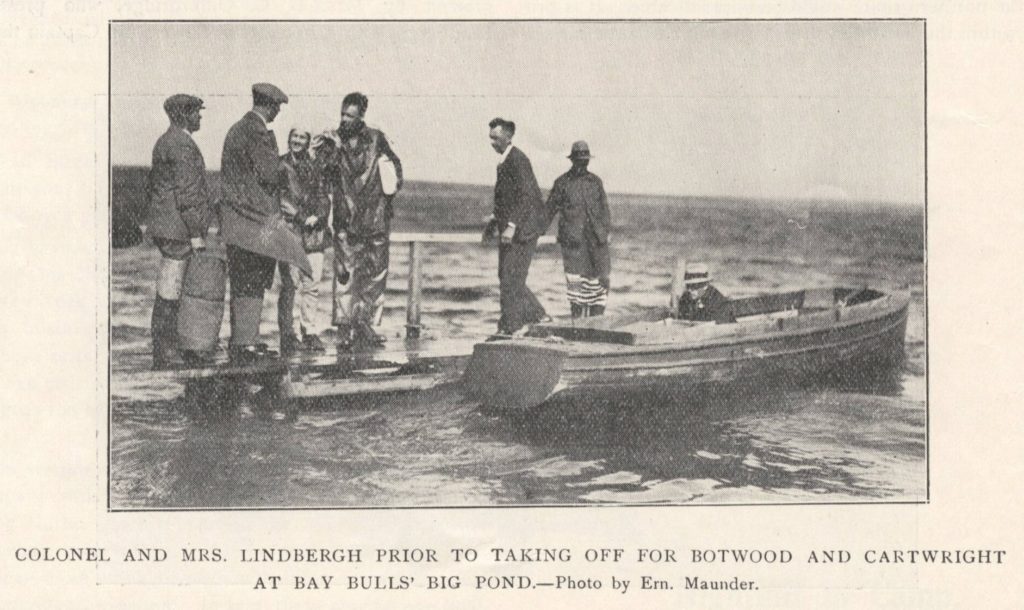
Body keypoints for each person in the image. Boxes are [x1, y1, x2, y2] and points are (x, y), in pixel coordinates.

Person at [219, 83, 311, 363]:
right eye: (278, 108)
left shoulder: (237, 128)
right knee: (252, 280)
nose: (278, 113)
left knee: (244, 281)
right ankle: (244, 344)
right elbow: (270, 173)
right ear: (269, 106)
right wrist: (287, 170)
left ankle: (244, 341)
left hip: (238, 219)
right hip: (252, 221)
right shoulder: (256, 132)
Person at [315, 92, 403, 349]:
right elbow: (322, 173)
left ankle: (364, 326)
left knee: (374, 274)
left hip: (375, 217)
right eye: (342, 114)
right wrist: (330, 147)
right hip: (346, 217)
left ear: (361, 116)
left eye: (350, 116)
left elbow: (396, 170)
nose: (344, 120)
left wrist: (391, 187)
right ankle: (344, 329)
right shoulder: (333, 140)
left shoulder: (377, 138)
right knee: (344, 275)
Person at [142, 93, 213, 370]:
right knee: (171, 290)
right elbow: (188, 193)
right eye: (197, 112)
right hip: (178, 229)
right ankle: (166, 351)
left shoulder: (165, 141)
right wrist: (197, 233)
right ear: (184, 115)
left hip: (167, 225)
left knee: (168, 288)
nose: (200, 117)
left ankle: (165, 348)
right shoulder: (182, 144)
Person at [487, 118, 550, 335]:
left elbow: (526, 196)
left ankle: (513, 327)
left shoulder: (518, 159)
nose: (492, 143)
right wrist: (496, 218)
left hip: (524, 230)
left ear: (509, 137)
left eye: (496, 138)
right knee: (507, 276)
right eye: (490, 138)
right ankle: (535, 316)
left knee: (511, 277)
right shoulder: (506, 160)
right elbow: (508, 197)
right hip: (516, 227)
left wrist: (511, 224)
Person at [276, 127, 330, 353]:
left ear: (308, 142)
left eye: (302, 138)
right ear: (289, 139)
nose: (297, 141)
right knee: (290, 285)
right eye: (294, 137)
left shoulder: (315, 166)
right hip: (290, 231)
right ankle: (287, 334)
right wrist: (300, 217)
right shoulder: (280, 165)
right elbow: (279, 197)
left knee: (312, 284)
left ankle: (309, 331)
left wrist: (319, 215)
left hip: (314, 234)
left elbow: (323, 194)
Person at [545, 141, 611, 318]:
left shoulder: (596, 182)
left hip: (597, 243)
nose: (583, 163)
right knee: (576, 289)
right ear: (572, 160)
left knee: (600, 286)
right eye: (579, 159)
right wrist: (532, 233)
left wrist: (606, 232)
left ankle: (596, 327)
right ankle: (576, 329)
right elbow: (548, 210)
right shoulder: (562, 183)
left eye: (585, 159)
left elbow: (605, 210)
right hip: (573, 243)